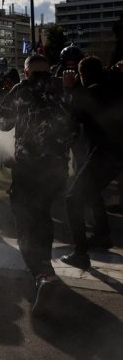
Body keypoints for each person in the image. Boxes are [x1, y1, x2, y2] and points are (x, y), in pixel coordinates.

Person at [0, 55, 75, 314]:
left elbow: (2, 123)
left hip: (29, 169)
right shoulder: (63, 88)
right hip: (57, 168)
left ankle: (43, 275)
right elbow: (76, 126)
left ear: (27, 71)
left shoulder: (21, 89)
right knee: (43, 215)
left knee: (24, 218)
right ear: (49, 69)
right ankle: (45, 268)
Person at [61, 56, 123, 269]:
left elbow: (71, 118)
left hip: (104, 154)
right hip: (115, 155)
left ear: (83, 74)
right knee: (91, 191)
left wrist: (70, 88)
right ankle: (102, 235)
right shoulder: (113, 87)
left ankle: (80, 253)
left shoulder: (92, 92)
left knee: (72, 199)